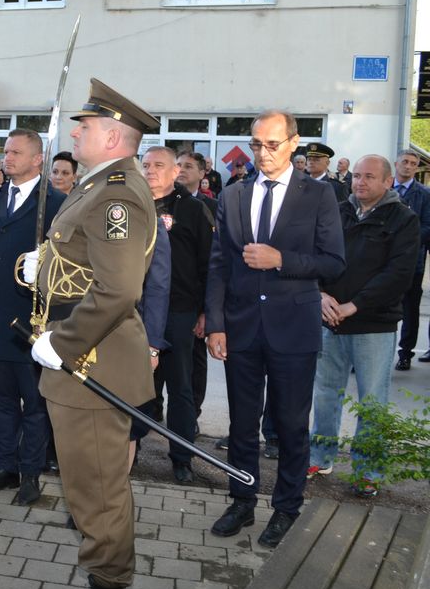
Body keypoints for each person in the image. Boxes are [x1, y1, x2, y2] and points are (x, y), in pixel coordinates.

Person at [24, 79, 159, 589]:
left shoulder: (116, 195)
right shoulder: (96, 185)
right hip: (81, 361)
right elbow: (84, 263)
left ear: (112, 137)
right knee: (87, 483)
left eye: (84, 126)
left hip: (91, 363)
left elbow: (119, 289)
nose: (75, 133)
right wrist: (43, 269)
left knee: (97, 490)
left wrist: (64, 343)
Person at [206, 110, 345, 549]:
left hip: (293, 329)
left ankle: (287, 508)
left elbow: (333, 262)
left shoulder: (318, 195)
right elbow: (219, 265)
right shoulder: (233, 194)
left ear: (293, 142)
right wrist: (216, 324)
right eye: (256, 144)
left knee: (290, 425)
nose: (262, 153)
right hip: (242, 328)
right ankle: (242, 499)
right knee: (242, 423)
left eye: (272, 144)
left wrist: (281, 259)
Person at [310, 155, 418, 497]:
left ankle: (368, 470)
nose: (360, 182)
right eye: (356, 176)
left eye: (369, 176)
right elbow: (315, 256)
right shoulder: (338, 211)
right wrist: (320, 294)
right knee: (326, 394)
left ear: (388, 181)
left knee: (372, 401)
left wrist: (353, 305)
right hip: (330, 320)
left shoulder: (403, 219)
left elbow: (399, 274)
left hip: (373, 324)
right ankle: (319, 457)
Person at [0, 129, 64, 505]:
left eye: (16, 153)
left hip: (31, 322)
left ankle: (31, 473)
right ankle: (5, 466)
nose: (7, 158)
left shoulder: (55, 203)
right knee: (2, 401)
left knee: (35, 405)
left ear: (38, 159)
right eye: (6, 152)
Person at [141, 146, 212, 484]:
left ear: (175, 172)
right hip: (135, 311)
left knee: (180, 387)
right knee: (135, 385)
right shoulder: (132, 205)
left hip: (180, 312)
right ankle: (128, 448)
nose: (150, 170)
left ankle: (182, 457)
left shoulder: (193, 210)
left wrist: (205, 312)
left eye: (159, 165)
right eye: (145, 165)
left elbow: (209, 264)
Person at [176, 151, 217, 424]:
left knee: (194, 361)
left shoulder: (211, 207)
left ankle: (192, 414)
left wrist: (206, 310)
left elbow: (211, 261)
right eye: (178, 165)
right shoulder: (164, 203)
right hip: (168, 298)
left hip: (195, 299)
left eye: (188, 166)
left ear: (203, 173)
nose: (181, 170)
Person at [393, 149, 430, 369]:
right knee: (376, 307)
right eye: (405, 161)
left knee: (410, 310)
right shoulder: (383, 188)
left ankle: (405, 353)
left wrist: (406, 241)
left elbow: (428, 226)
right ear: (396, 163)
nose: (408, 166)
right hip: (380, 260)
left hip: (412, 262)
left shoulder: (424, 194)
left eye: (413, 163)